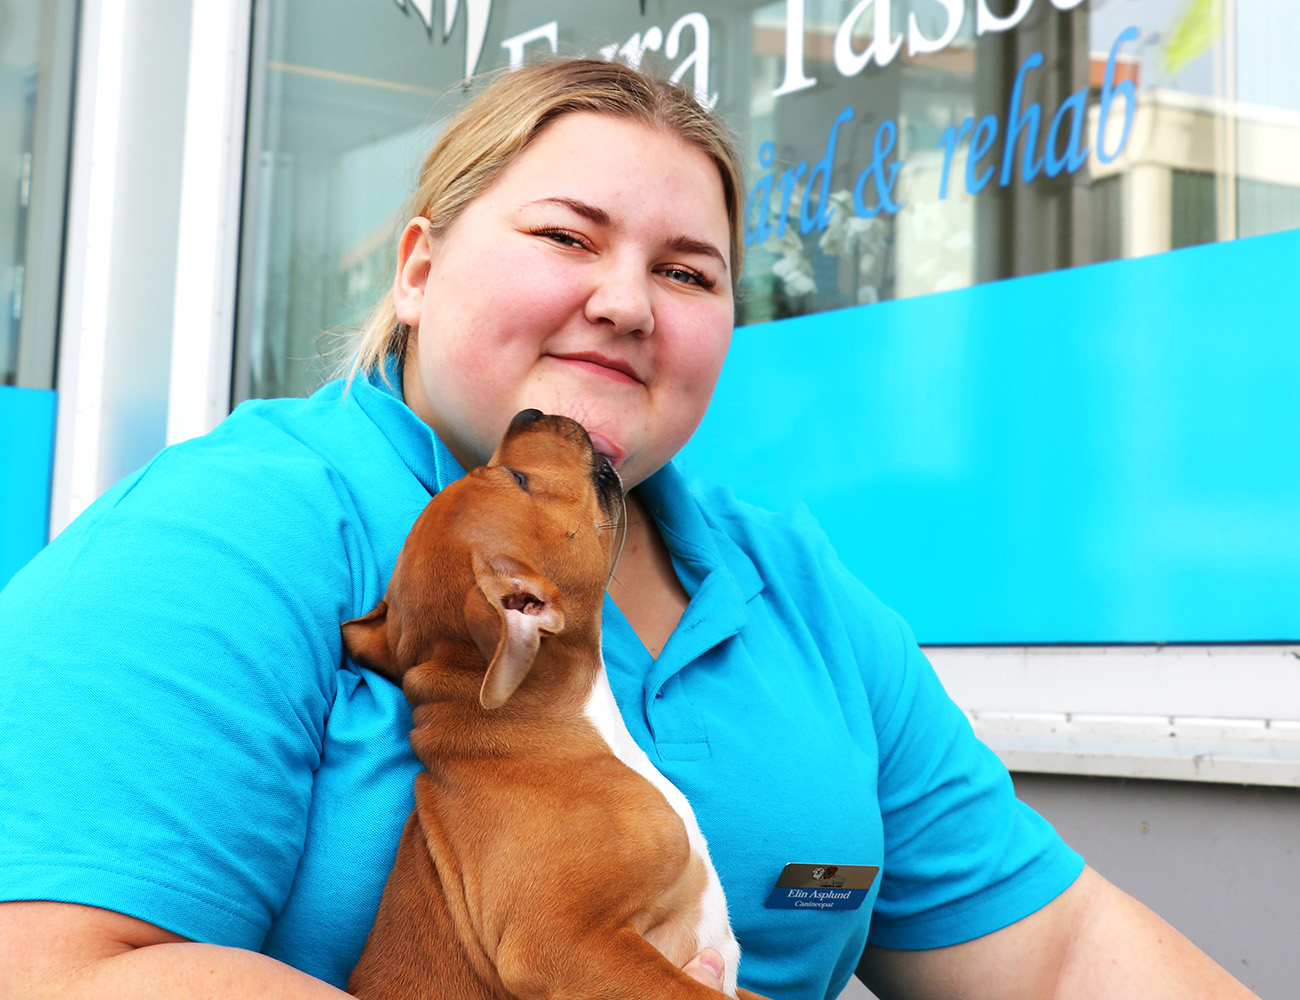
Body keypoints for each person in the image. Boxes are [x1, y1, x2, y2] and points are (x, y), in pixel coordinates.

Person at [0, 58, 1258, 1000]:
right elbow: (61, 969)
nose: (623, 303)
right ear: (420, 268)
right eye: (565, 237)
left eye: (687, 271)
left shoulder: (786, 590)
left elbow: (1057, 952)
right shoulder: (234, 530)